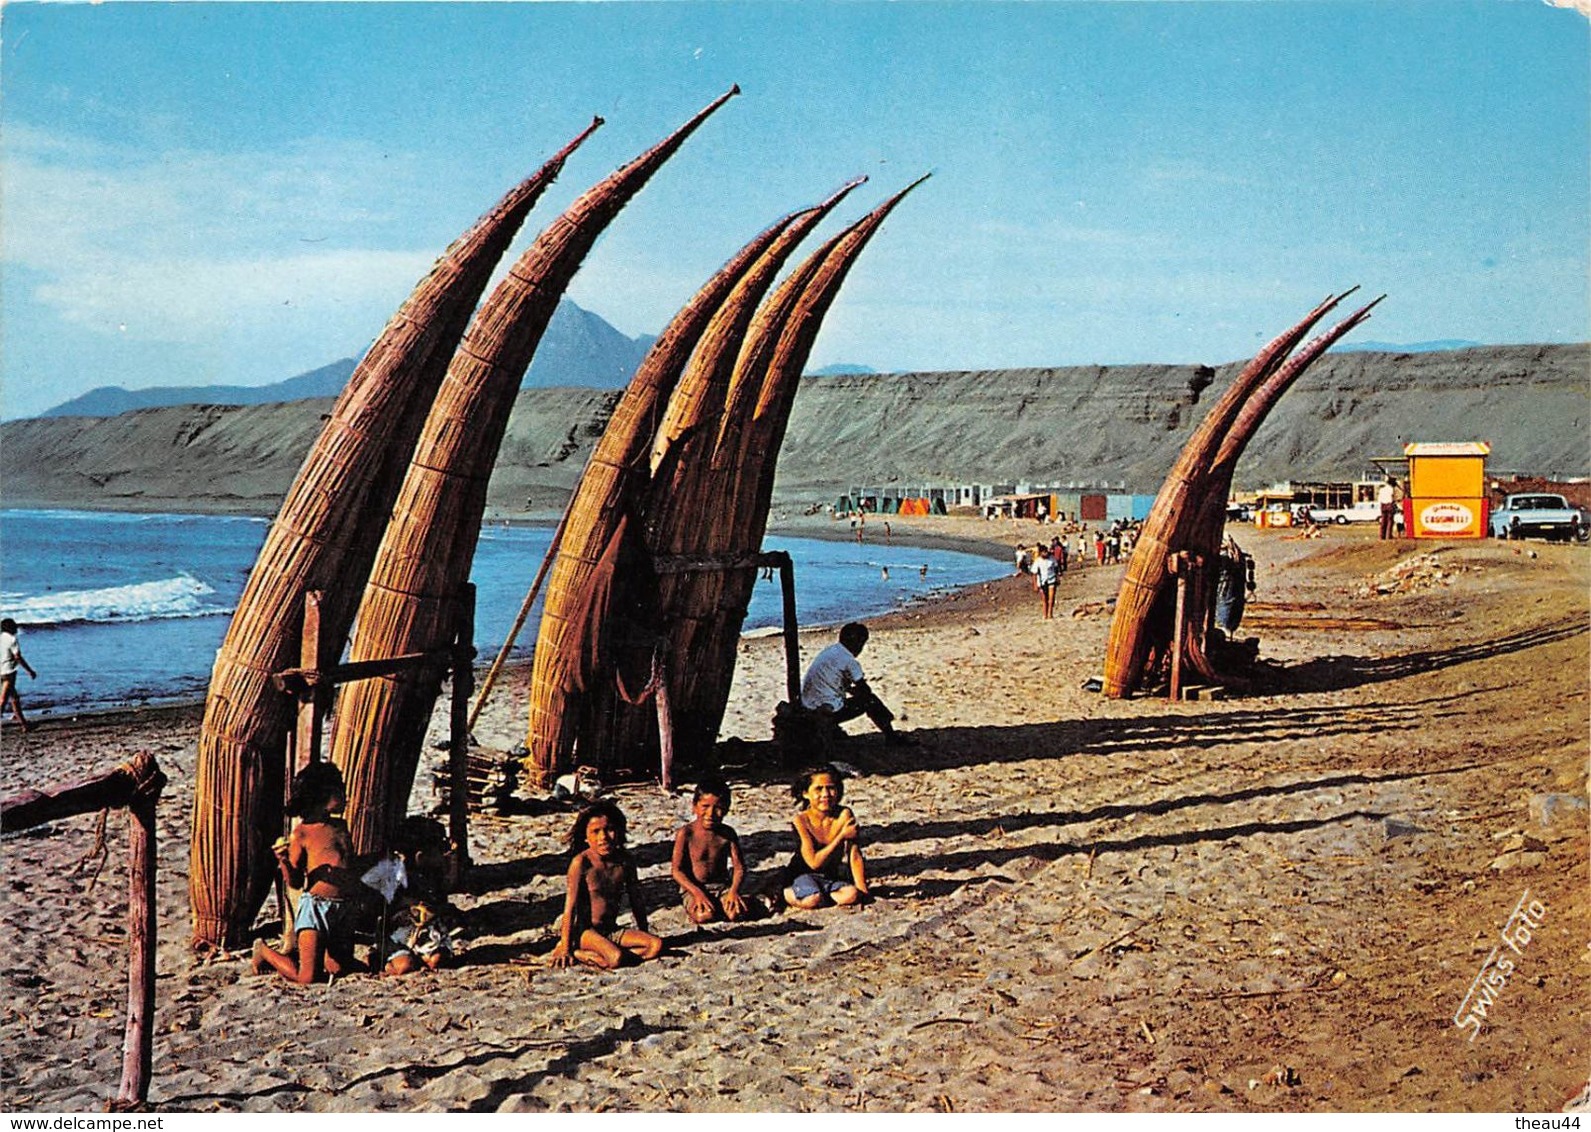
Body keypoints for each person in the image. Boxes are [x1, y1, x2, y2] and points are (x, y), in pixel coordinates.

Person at [252, 762, 366, 984]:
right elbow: (294, 881)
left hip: (344, 908)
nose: (345, 796)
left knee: (340, 968)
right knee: (308, 977)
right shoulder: (301, 834)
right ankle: (263, 951)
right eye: (339, 791)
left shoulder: (341, 827)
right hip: (316, 908)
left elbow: (349, 865)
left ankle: (321, 952)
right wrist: (283, 860)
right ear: (322, 795)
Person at [550, 800, 662, 970]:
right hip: (586, 931)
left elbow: (636, 900)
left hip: (611, 930)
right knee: (615, 958)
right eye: (595, 832)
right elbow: (570, 908)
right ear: (586, 837)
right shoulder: (581, 863)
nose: (603, 837)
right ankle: (579, 952)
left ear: (618, 831)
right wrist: (565, 948)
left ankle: (607, 952)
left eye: (609, 829)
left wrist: (643, 930)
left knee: (656, 945)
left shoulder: (625, 861)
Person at [800, 622, 910, 746]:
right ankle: (891, 736)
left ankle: (834, 729)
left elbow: (834, 682)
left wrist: (851, 689)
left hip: (808, 704)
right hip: (825, 710)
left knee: (840, 696)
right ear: (858, 644)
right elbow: (865, 691)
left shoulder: (830, 651)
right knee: (870, 701)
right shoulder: (849, 661)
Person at [781, 764, 869, 909]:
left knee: (851, 895)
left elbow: (854, 855)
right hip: (803, 875)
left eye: (830, 788)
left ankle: (822, 895)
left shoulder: (844, 815)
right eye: (818, 789)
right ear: (805, 793)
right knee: (812, 899)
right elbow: (813, 863)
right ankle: (785, 894)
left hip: (830, 876)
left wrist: (863, 890)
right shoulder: (801, 821)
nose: (825, 794)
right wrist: (840, 837)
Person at [670, 778, 752, 925]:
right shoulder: (686, 833)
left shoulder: (728, 833)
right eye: (705, 806)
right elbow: (677, 871)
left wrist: (733, 891)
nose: (711, 813)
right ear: (694, 807)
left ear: (727, 809)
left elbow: (739, 867)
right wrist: (697, 893)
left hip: (721, 887)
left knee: (735, 914)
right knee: (704, 916)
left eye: (719, 807)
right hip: (694, 888)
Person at [0, 618, 37, 732]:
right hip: (8, 672)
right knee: (3, 699)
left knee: (14, 698)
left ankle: (23, 722)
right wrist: (29, 670)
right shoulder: (12, 639)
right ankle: (23, 724)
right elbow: (18, 657)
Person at [1030, 544, 1059, 619]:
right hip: (1042, 581)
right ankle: (1044, 614)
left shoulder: (1052, 559)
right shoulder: (1037, 561)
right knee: (1044, 599)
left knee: (1051, 598)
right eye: (1044, 552)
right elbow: (1034, 573)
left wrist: (1058, 578)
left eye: (1046, 551)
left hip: (1051, 579)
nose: (1045, 553)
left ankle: (1050, 614)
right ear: (1040, 553)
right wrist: (1035, 585)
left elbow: (1056, 569)